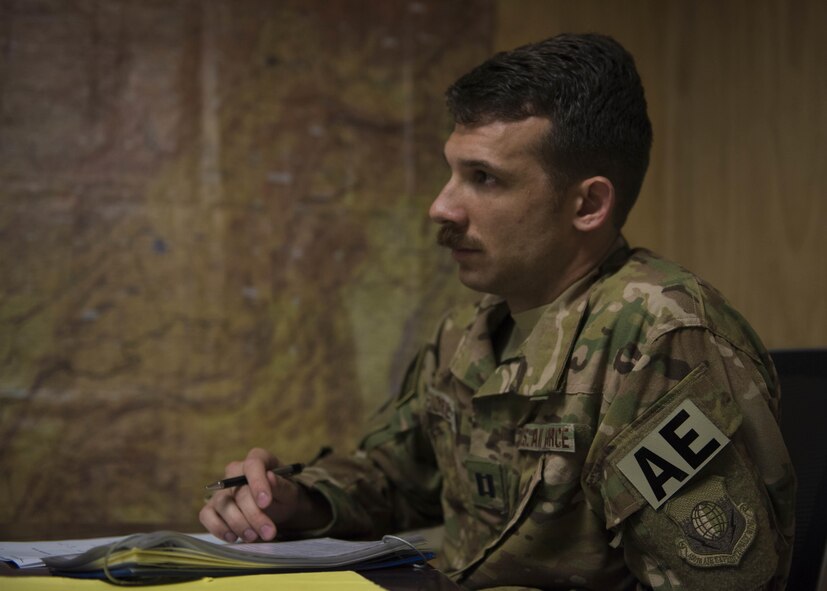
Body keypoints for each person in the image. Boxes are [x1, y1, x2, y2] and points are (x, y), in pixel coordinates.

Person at [200, 33, 795, 590]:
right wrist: (290, 499)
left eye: (484, 178)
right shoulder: (472, 327)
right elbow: (398, 477)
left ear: (587, 203)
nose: (440, 207)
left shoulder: (659, 339)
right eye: (452, 171)